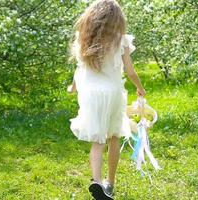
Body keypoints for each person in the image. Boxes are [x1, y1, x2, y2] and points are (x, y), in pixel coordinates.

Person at [67, 0, 145, 199]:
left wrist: (73, 87)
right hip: (112, 93)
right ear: (117, 19)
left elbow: (79, 68)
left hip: (90, 95)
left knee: (97, 140)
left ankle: (96, 181)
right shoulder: (121, 40)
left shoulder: (84, 38)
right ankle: (110, 183)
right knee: (113, 137)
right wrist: (140, 87)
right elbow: (130, 71)